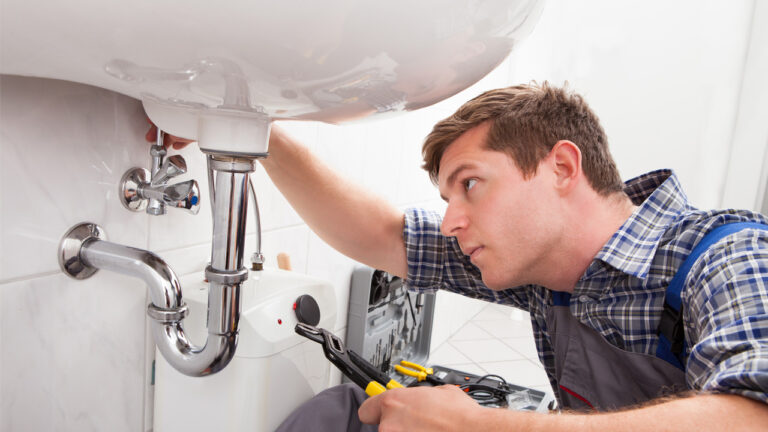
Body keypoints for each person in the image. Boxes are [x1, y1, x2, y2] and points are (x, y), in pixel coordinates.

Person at [149, 82, 768, 430]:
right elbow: (386, 235)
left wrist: (485, 429)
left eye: (469, 184)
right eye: (446, 197)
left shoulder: (728, 256)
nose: (451, 219)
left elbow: (750, 419)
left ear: (560, 167)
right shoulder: (540, 276)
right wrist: (252, 133)